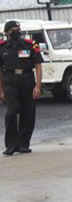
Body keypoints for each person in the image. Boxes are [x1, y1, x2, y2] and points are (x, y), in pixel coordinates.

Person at [1, 20, 43, 155]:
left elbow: (38, 65)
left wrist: (38, 86)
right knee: (11, 112)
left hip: (27, 81)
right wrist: (1, 90)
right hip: (10, 82)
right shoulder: (2, 48)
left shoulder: (30, 45)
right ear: (6, 33)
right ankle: (11, 145)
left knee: (28, 113)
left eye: (17, 29)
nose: (16, 32)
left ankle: (24, 144)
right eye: (12, 30)